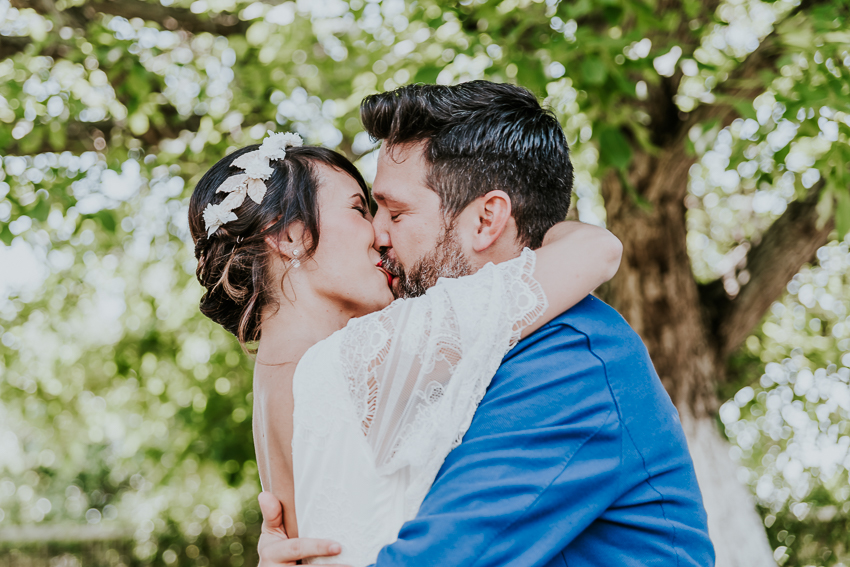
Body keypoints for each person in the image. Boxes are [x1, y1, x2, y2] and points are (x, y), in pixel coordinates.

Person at [255, 81, 715, 566]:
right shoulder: (442, 360)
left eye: (395, 211)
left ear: (485, 220)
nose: (378, 233)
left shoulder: (569, 358)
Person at [188, 127, 623, 564]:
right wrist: (555, 226)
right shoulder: (356, 359)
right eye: (360, 209)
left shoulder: (273, 381)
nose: (380, 234)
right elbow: (599, 249)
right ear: (289, 236)